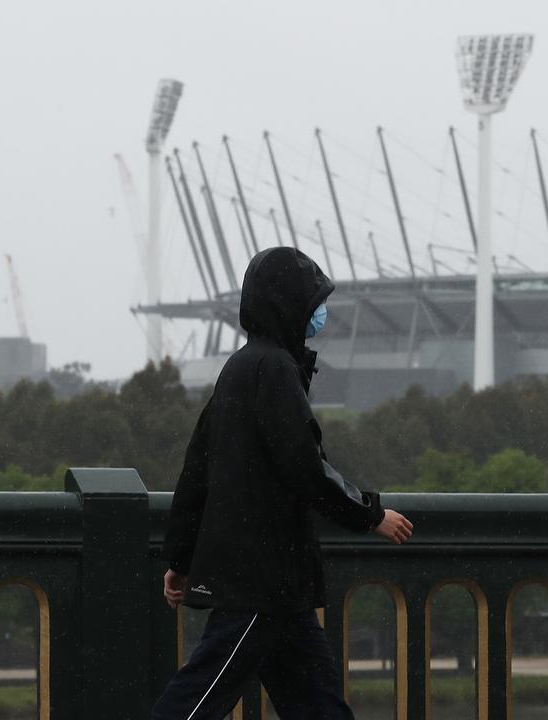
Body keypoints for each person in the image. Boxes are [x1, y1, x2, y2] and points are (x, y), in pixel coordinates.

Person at [152, 246, 413, 720]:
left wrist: (181, 557)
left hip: (279, 589)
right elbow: (306, 468)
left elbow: (198, 472)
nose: (320, 313)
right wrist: (371, 514)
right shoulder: (273, 370)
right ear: (289, 305)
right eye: (314, 302)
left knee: (319, 710)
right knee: (194, 703)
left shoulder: (240, 367)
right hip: (260, 581)